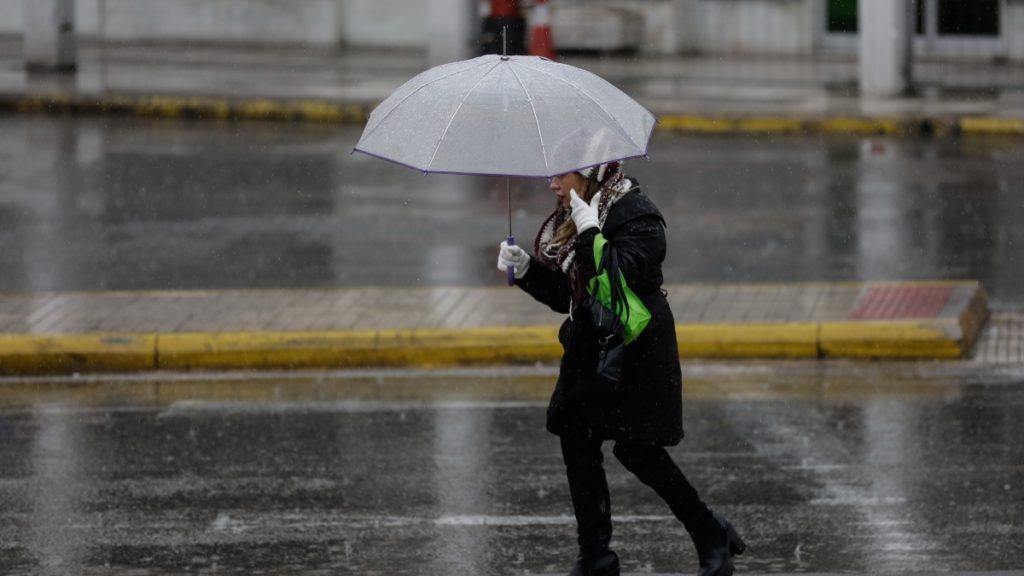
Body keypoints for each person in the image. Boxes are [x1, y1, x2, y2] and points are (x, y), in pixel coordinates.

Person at [497, 162, 746, 576]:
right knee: (576, 436)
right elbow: (570, 296)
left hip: (637, 351)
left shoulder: (637, 215)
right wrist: (527, 271)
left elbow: (617, 280)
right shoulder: (574, 218)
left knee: (639, 450)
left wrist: (592, 231)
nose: (552, 184)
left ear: (591, 173)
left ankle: (709, 532)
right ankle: (595, 556)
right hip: (592, 347)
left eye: (563, 174)